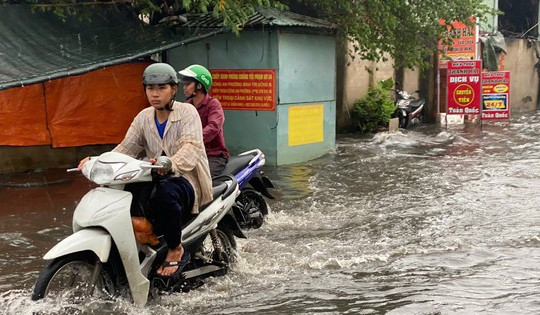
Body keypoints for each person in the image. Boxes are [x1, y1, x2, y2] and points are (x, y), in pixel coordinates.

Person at [77, 63, 212, 278]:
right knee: (125, 195)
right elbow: (125, 148)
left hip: (187, 179)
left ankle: (175, 247)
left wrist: (170, 163)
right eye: (150, 89)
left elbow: (191, 148)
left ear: (173, 89)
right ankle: (143, 239)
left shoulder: (188, 112)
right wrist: (97, 161)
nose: (155, 94)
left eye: (161, 88)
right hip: (155, 175)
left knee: (166, 194)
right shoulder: (143, 118)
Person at [178, 64, 229, 177]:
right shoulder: (186, 106)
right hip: (192, 155)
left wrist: (193, 139)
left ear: (199, 86)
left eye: (188, 84)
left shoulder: (213, 104)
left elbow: (213, 126)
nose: (184, 87)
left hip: (214, 156)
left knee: (203, 180)